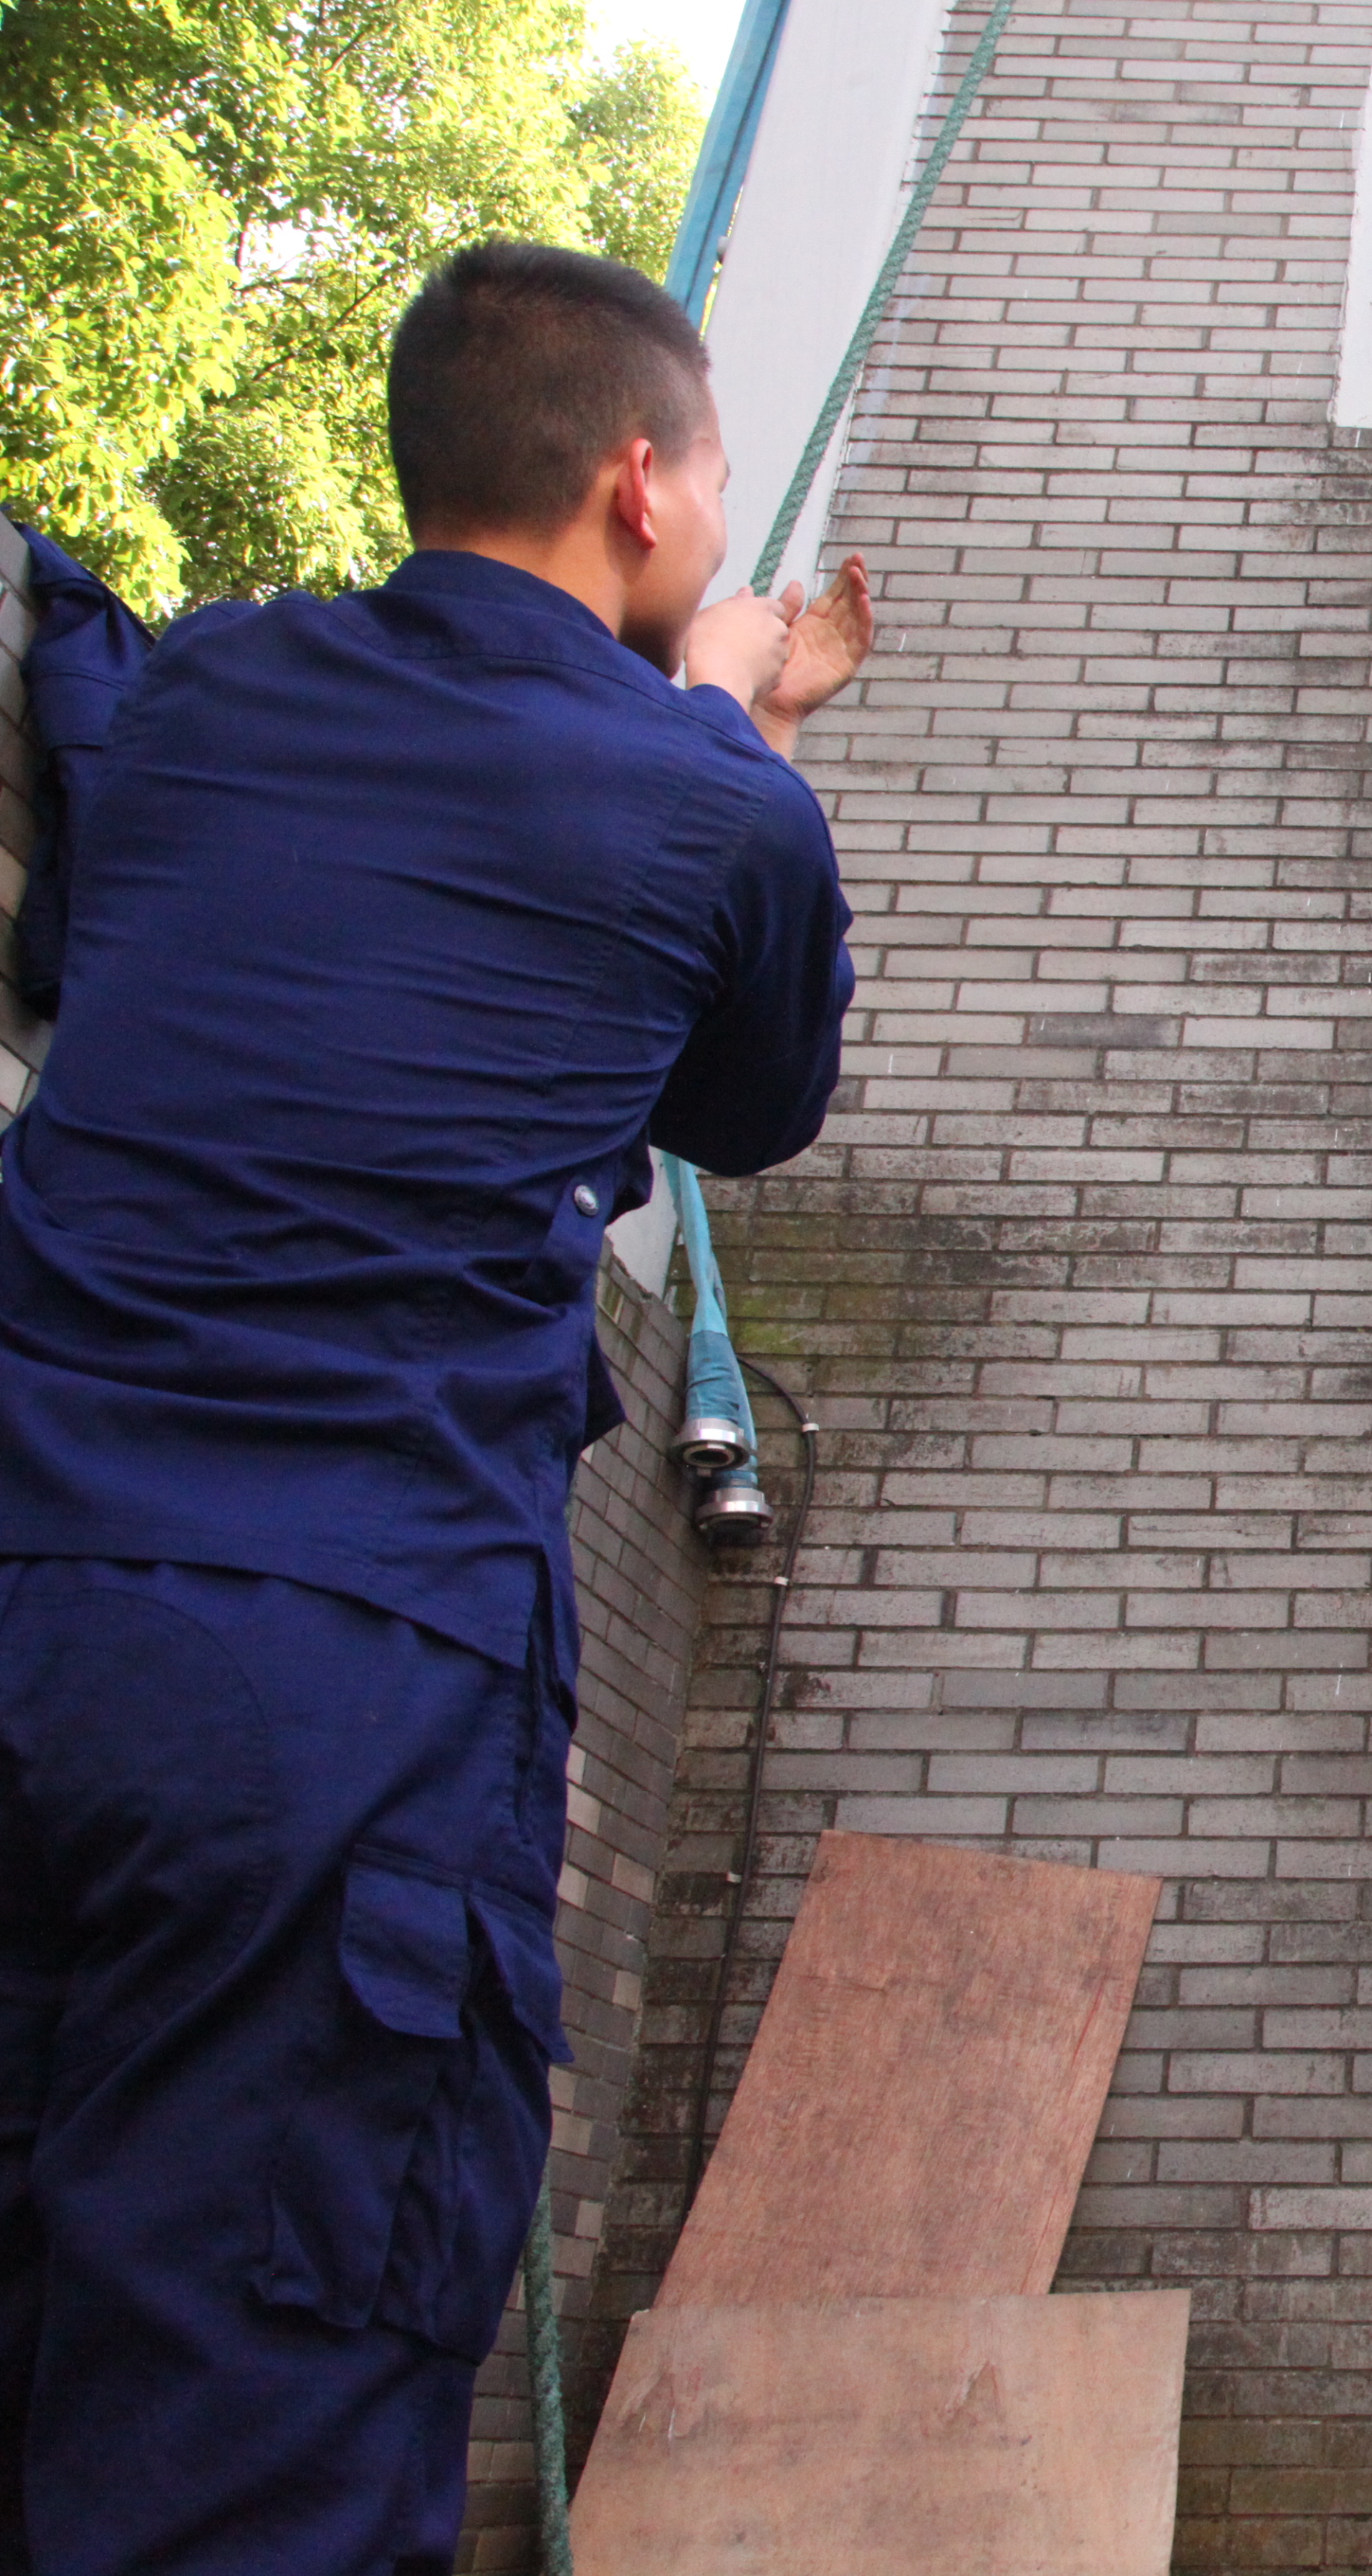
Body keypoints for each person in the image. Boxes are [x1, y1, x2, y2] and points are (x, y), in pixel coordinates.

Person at [0, 240, 868, 2572]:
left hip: (32, 1560)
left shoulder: (202, 685)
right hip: (333, 1671)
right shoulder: (712, 800)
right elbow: (748, 1101)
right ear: (638, 485)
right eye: (710, 478)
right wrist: (739, 708)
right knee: (247, 2424)